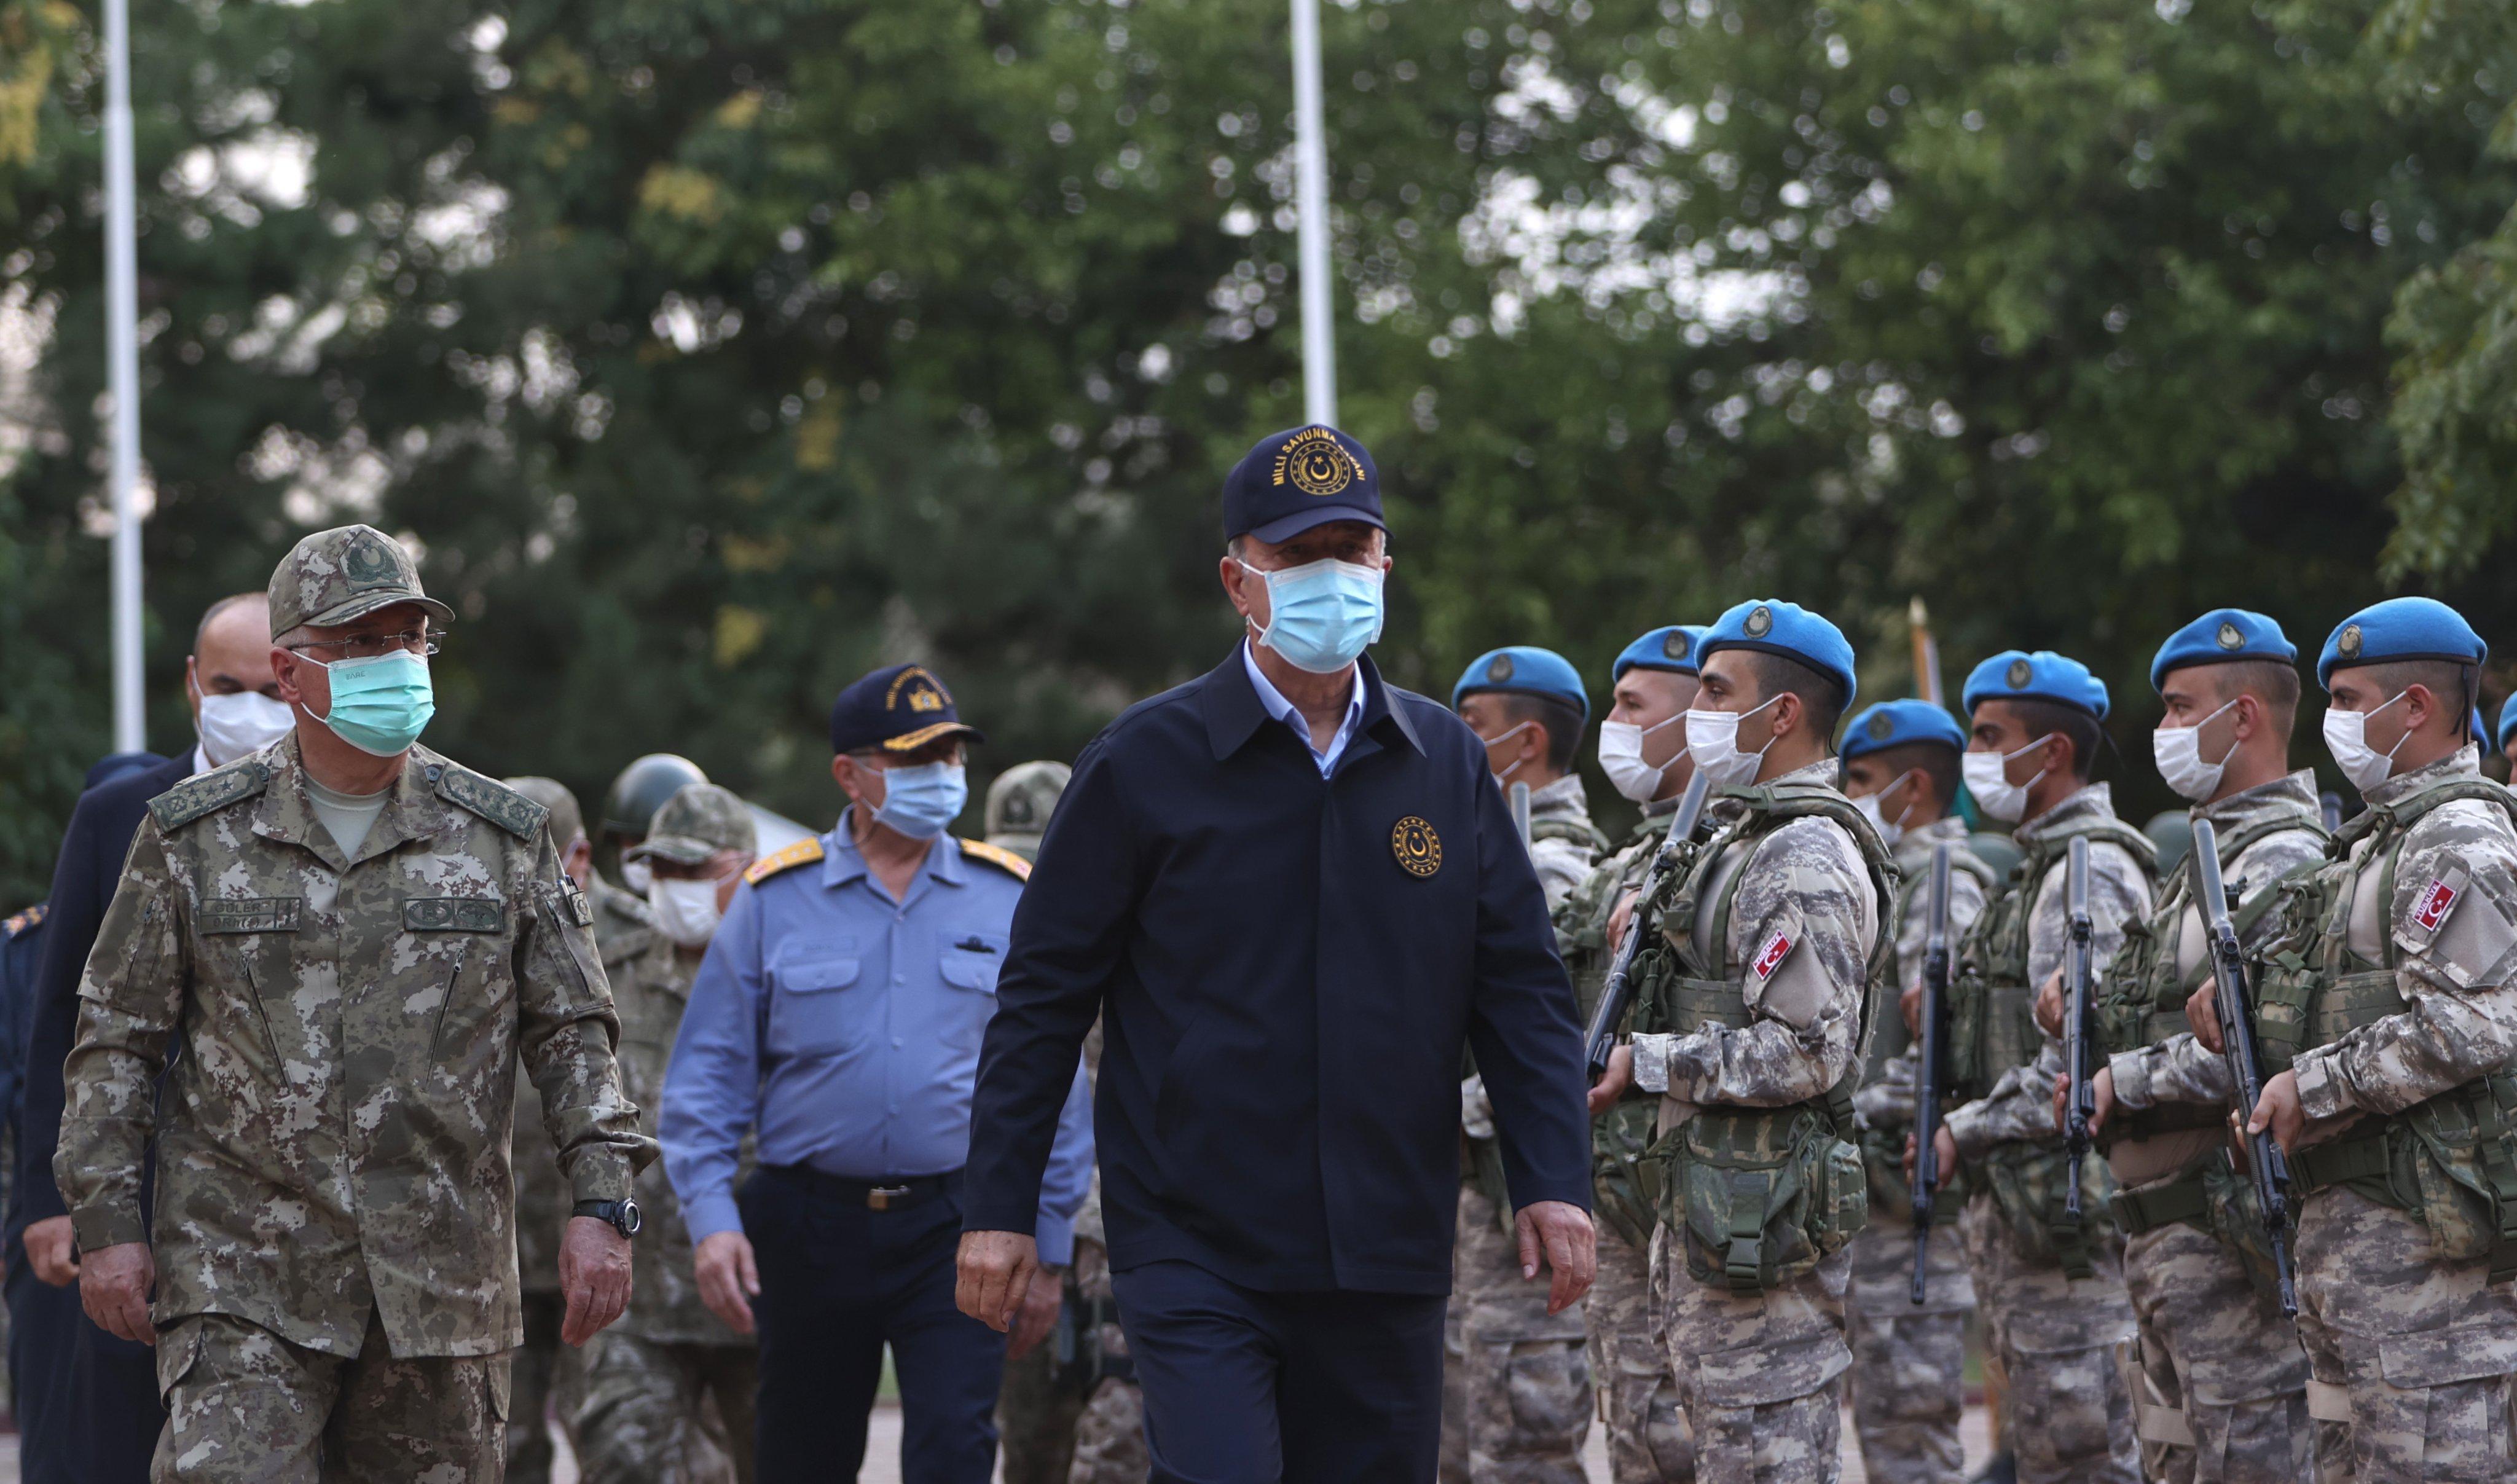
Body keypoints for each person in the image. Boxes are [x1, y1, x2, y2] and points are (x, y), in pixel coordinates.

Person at [956, 424, 1596, 1484]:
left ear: (1386, 566)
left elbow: (1520, 989)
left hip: (1387, 1244)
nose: (1332, 577)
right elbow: (1040, 1000)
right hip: (1198, 1240)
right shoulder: (1141, 765)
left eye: (1354, 551)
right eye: (1299, 556)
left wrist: (1554, 1179)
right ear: (1238, 581)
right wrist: (998, 1210)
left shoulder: (1441, 763)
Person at [55, 525, 653, 1480]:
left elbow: (576, 1036)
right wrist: (108, 1224)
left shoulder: (503, 838)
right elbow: (114, 1045)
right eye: (363, 642)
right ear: (291, 675)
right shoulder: (190, 839)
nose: (397, 662)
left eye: (410, 638)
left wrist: (604, 1202)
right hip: (242, 1277)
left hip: (440, 1287)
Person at [661, 664, 1094, 1483]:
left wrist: (1052, 1238)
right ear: (849, 775)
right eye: (914, 758)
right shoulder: (773, 899)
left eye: (951, 755)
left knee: (956, 1448)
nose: (942, 775)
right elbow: (708, 1075)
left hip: (959, 1222)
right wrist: (712, 1216)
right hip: (808, 1222)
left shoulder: (1006, 896)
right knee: (800, 1452)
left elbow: (1054, 1080)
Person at [2195, 597, 2517, 1479]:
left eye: (2348, 696)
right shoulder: (2374, 844)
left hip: (2430, 1284)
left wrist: (2315, 1083)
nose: (2333, 719)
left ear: (2415, 705)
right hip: (2357, 1264)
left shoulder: (2459, 836)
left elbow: (2472, 1023)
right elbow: (2352, 999)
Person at [1588, 598, 1898, 1484]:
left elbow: (1807, 1049)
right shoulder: (1743, 838)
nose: (1699, 712)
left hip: (1763, 1240)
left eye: (1717, 691)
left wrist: (1644, 1058)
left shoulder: (1803, 851)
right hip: (1719, 1224)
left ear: (1783, 712)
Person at [15, 591, 289, 1484]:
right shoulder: (117, 813)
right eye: (228, 683)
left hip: (289, 1216)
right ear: (191, 685)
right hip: (137, 1206)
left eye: (273, 686)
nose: (250, 706)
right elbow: (59, 1018)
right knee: (109, 1447)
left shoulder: (342, 818)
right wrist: (47, 1204)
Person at [1915, 650, 2151, 1484]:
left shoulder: (2086, 873)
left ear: (2049, 753)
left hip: (2069, 1234)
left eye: (1989, 736)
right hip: (2030, 1222)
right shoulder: (2042, 870)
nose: (1973, 755)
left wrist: (1961, 1127)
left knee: (2084, 1456)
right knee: (2049, 1452)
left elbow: (2074, 1069)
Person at [1443, 643, 1605, 1484]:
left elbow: (1547, 1047)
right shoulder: (1508, 846)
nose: (1454, 743)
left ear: (1528, 740)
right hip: (1486, 1200)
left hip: (1524, 1208)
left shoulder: (1548, 864)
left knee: (1523, 1447)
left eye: (1472, 729)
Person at [576, 783, 761, 1483]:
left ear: (747, 868)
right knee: (618, 1462)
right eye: (666, 871)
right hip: (642, 1300)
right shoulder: (608, 979)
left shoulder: (792, 975)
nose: (677, 888)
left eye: (696, 870)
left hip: (764, 1293)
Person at [1559, 623, 1705, 1484]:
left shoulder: (1742, 860)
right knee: (1640, 1439)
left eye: (1629, 706)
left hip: (1694, 1207)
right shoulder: (1632, 857)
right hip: (1620, 1196)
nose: (1612, 723)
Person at [1838, 699, 1991, 1484]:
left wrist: (1841, 1110)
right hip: (1888, 1191)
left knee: (1909, 1431)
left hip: (1912, 1197)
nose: (1850, 793)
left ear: (1915, 787)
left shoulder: (1942, 883)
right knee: (1890, 1425)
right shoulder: (1905, 876)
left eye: (1861, 780)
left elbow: (1949, 1054)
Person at [505, 772, 655, 1481]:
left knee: (616, 1439)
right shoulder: (463, 924)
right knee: (504, 1447)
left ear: (582, 857)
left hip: (595, 1234)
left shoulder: (635, 942)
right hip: (496, 1239)